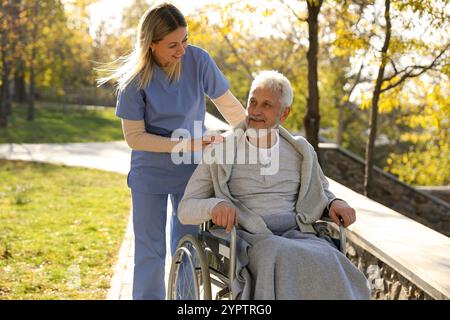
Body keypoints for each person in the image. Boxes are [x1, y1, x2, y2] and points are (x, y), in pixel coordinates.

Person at [96, 3, 246, 300]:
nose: (182, 50)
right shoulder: (134, 81)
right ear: (151, 45)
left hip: (191, 173)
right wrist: (189, 144)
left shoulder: (198, 60)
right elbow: (135, 138)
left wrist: (258, 135)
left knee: (188, 244)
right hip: (149, 173)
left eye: (185, 40)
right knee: (150, 250)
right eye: (173, 44)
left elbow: (229, 106)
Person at [178, 70, 371, 299]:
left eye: (266, 105)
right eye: (253, 102)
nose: (256, 111)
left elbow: (321, 192)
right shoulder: (221, 151)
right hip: (248, 237)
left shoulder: (301, 152)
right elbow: (185, 209)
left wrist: (335, 203)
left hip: (298, 233)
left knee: (330, 257)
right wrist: (214, 207)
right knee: (277, 252)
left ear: (284, 113)